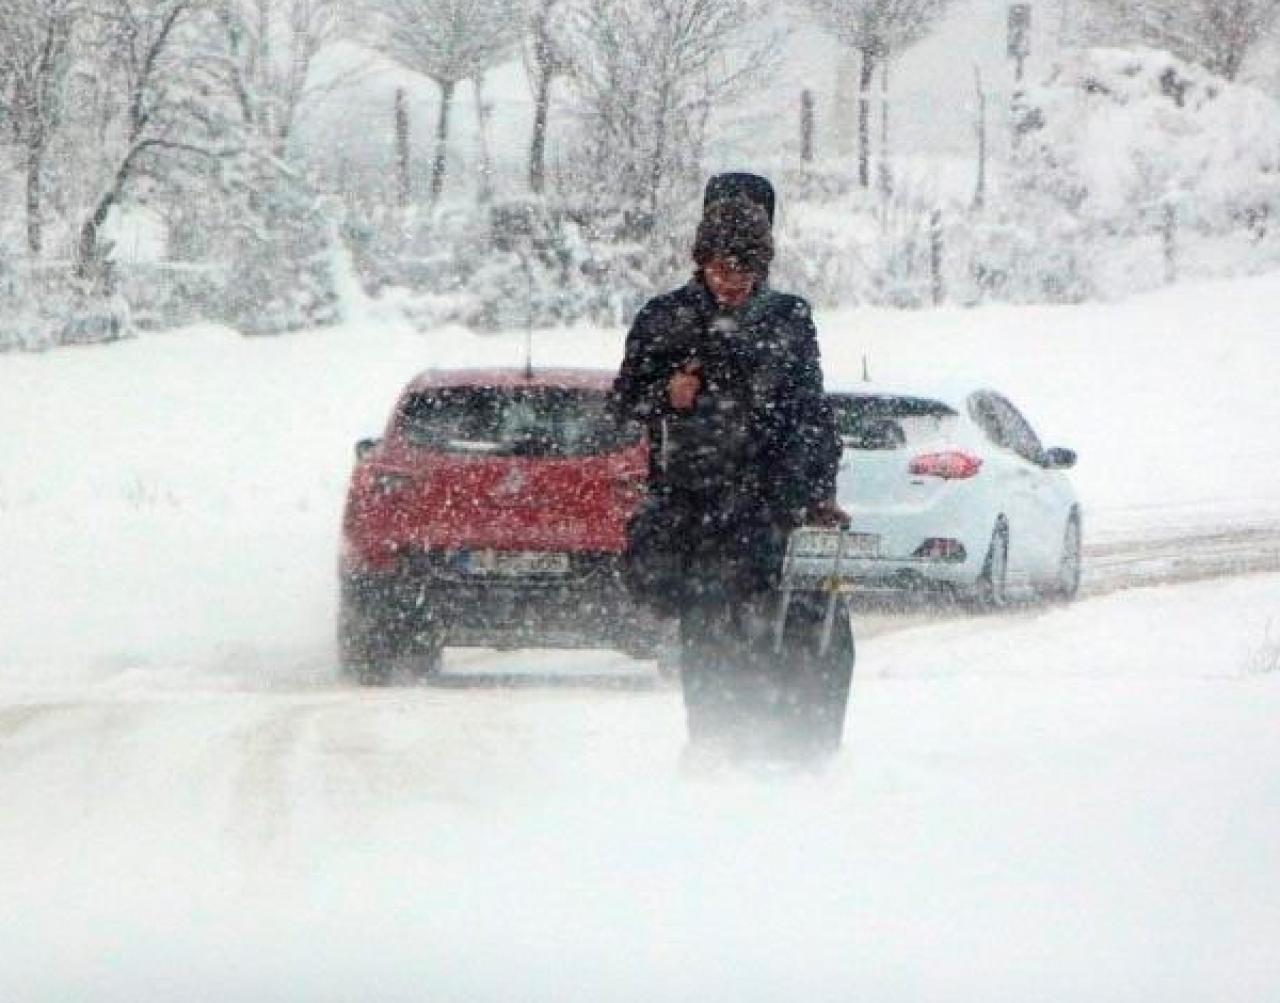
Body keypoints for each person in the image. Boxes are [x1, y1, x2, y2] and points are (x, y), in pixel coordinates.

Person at [611, 173, 854, 764]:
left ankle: (797, 749)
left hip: (775, 508)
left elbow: (810, 413)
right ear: (701, 263)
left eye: (745, 273)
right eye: (722, 270)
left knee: (802, 629)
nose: (733, 285)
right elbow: (623, 403)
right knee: (712, 632)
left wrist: (819, 490)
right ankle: (716, 745)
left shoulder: (788, 319)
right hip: (697, 510)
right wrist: (670, 392)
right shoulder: (665, 318)